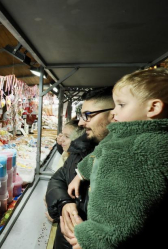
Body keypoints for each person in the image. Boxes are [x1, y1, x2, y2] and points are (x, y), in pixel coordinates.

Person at [66, 68, 168, 249]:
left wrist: (92, 238)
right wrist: (81, 173)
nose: (113, 112)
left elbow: (124, 212)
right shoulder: (131, 134)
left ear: (153, 108)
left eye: (121, 105)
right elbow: (102, 151)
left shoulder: (139, 150)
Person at [46, 87, 115, 249]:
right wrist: (63, 203)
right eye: (81, 115)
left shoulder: (131, 160)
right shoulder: (80, 148)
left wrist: (96, 243)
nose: (81, 122)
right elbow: (58, 178)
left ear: (114, 115)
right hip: (64, 242)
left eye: (88, 115)